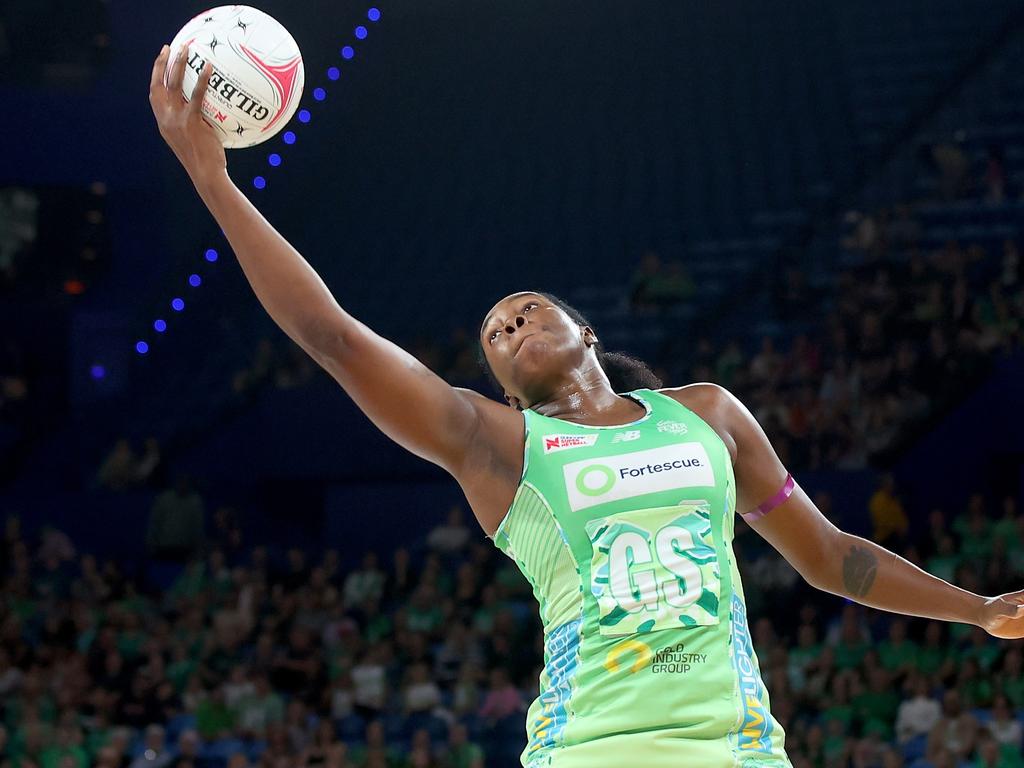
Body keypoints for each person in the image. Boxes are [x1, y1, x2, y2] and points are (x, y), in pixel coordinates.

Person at [150, 46, 1024, 768]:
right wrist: (215, 183)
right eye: (495, 331)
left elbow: (835, 560)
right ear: (499, 383)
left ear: (587, 330)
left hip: (741, 752)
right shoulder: (497, 444)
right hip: (591, 751)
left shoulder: (707, 414)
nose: (511, 321)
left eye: (527, 308)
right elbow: (331, 337)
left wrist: (980, 609)